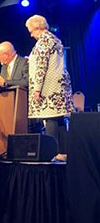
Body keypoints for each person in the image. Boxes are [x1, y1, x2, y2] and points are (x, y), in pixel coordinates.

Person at [25, 15, 73, 153]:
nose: (31, 35)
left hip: (49, 87)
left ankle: (52, 152)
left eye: (31, 31)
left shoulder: (43, 41)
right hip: (59, 86)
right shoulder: (54, 39)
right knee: (60, 118)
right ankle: (64, 152)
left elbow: (41, 67)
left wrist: (37, 90)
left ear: (38, 28)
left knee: (50, 117)